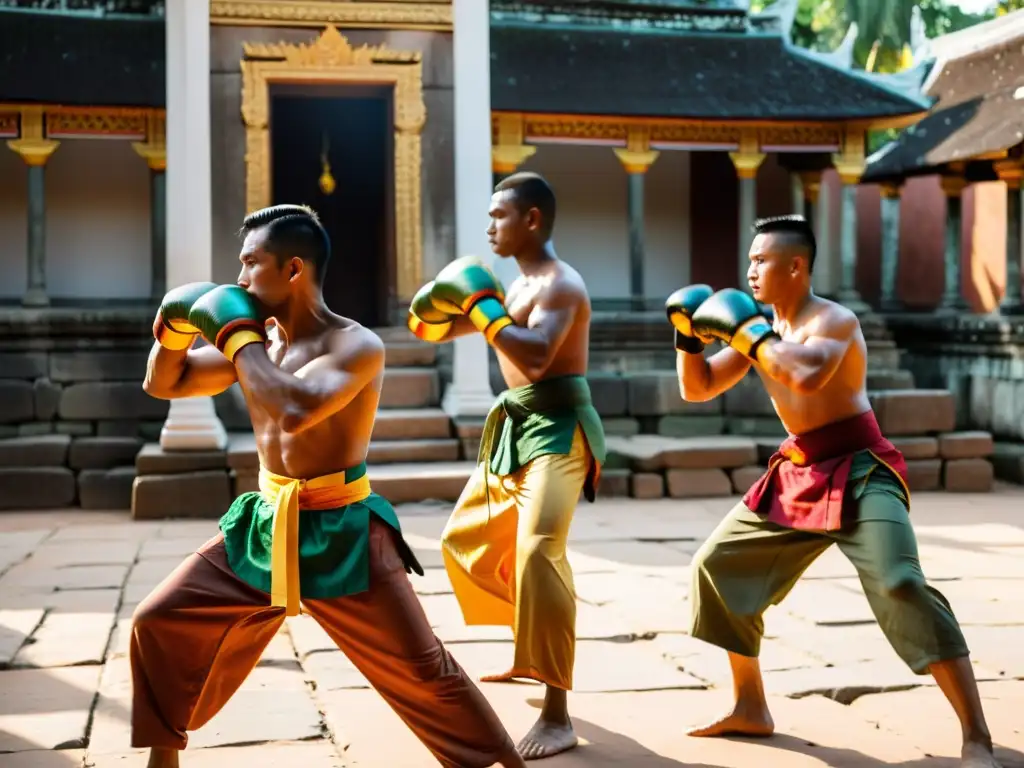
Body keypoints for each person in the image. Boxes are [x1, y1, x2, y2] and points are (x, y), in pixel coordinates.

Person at [133, 204, 525, 768]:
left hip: (342, 530)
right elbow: (164, 383)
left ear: (293, 269)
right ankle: (162, 760)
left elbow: (294, 409)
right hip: (265, 523)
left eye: (251, 264)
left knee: (423, 671)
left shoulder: (356, 345)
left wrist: (240, 340)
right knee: (160, 620)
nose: (239, 280)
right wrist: (170, 331)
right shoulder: (259, 341)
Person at [666, 214, 1001, 768]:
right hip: (799, 467)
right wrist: (685, 336)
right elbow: (697, 388)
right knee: (717, 567)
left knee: (900, 584)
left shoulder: (834, 320)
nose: (749, 271)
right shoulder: (760, 326)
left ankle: (976, 735)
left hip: (862, 467)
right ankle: (750, 706)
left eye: (761, 261)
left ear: (796, 266)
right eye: (748, 260)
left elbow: (803, 374)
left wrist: (747, 333)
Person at [407, 172, 606, 761]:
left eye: (499, 216)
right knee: (464, 541)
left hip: (559, 427)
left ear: (532, 220)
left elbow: (539, 356)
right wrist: (433, 299)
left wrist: (482, 307)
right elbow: (432, 331)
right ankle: (530, 649)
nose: (490, 227)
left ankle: (557, 711)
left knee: (539, 552)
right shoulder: (514, 286)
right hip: (515, 428)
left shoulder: (561, 286)